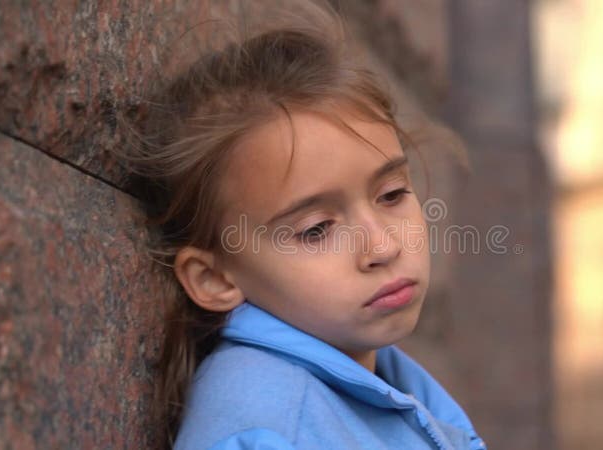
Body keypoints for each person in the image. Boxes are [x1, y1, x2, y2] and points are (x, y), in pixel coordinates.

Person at [115, 2, 486, 449]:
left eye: (391, 195)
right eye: (316, 229)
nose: (383, 246)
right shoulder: (265, 430)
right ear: (214, 279)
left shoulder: (391, 378)